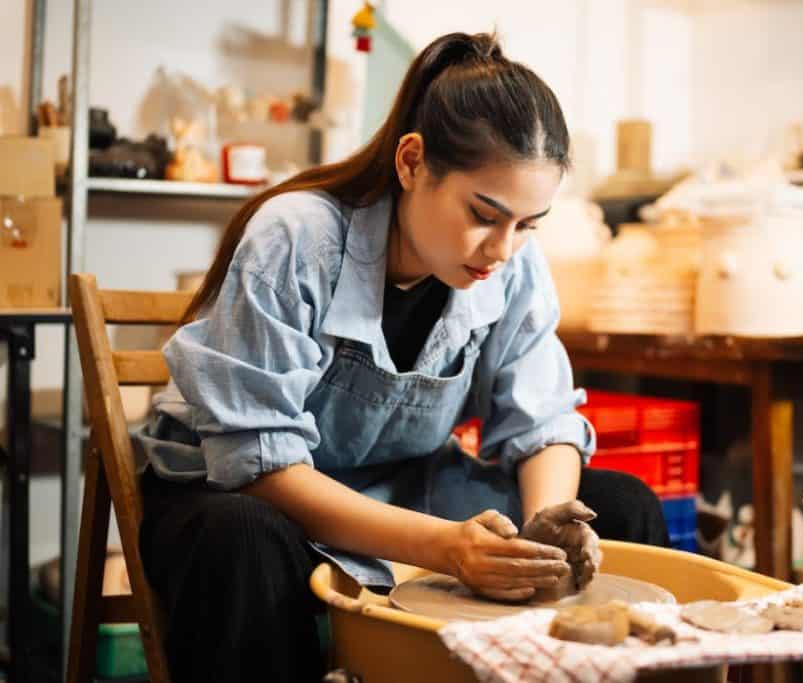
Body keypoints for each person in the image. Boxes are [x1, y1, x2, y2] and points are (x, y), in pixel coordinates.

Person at [134, 31, 668, 683]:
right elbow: (258, 460)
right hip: (242, 493)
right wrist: (445, 547)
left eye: (528, 224)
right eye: (484, 213)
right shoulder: (298, 236)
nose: (503, 248)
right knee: (243, 538)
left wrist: (543, 532)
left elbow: (542, 420)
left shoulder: (510, 264)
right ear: (412, 162)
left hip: (403, 483)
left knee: (624, 506)